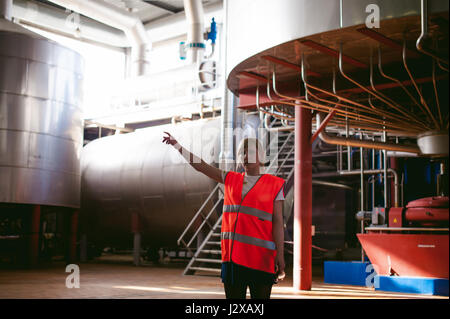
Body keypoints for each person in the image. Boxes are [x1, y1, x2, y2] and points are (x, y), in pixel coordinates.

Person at [162, 132, 285, 299]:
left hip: (261, 260)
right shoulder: (230, 179)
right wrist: (178, 146)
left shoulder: (274, 184)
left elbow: (278, 222)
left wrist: (280, 254)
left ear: (260, 155)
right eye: (242, 153)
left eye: (250, 152)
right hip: (233, 260)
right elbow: (201, 166)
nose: (245, 156)